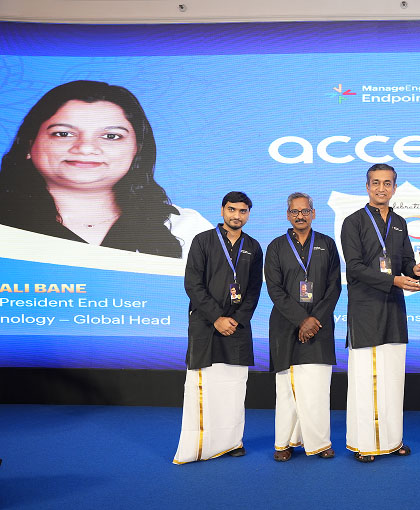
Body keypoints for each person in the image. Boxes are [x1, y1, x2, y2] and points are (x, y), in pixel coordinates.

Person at [0, 80, 211, 258]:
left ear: (137, 150)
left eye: (111, 136)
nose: (85, 148)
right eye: (63, 134)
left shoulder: (186, 228)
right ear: (28, 145)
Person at [340, 163, 420, 462]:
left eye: (387, 183)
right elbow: (355, 268)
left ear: (395, 188)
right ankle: (365, 443)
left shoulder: (399, 222)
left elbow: (406, 260)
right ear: (367, 186)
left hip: (394, 309)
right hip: (365, 310)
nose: (381, 188)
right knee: (366, 380)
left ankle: (391, 439)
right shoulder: (353, 221)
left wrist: (417, 270)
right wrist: (394, 280)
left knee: (392, 379)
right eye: (376, 182)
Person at [174, 192, 263, 464]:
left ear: (248, 214)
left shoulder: (253, 246)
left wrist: (237, 319)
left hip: (237, 327)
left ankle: (232, 442)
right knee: (204, 387)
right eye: (232, 209)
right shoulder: (203, 241)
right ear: (222, 210)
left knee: (234, 389)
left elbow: (254, 290)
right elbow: (193, 285)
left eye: (243, 211)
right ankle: (198, 447)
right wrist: (216, 318)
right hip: (206, 325)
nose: (237, 215)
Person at [266, 192, 341, 461]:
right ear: (288, 215)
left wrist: (313, 320)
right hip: (285, 325)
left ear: (313, 213)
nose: (300, 216)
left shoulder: (327, 244)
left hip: (320, 325)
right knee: (286, 389)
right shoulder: (276, 247)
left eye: (305, 211)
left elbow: (334, 287)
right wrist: (301, 319)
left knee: (317, 387)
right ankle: (284, 443)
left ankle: (319, 442)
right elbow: (274, 289)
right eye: (295, 211)